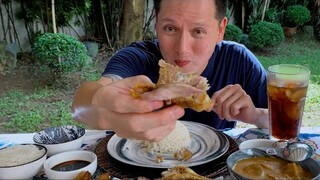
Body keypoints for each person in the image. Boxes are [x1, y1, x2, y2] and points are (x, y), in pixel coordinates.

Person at [72, 0, 269, 142]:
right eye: (170, 28)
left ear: (220, 30)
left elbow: (286, 122)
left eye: (198, 31)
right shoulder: (136, 58)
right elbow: (81, 105)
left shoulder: (238, 60)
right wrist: (100, 108)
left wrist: (254, 115)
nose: (182, 49)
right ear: (157, 23)